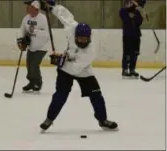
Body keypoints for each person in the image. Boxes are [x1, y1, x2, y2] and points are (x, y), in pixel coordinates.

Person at [39, 1, 118, 131]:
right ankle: (49, 119)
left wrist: (61, 61)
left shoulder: (91, 50)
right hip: (65, 69)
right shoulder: (73, 28)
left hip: (83, 71)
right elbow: (65, 15)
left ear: (89, 38)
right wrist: (52, 7)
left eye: (84, 39)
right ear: (75, 35)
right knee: (60, 95)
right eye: (79, 38)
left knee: (96, 96)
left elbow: (76, 68)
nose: (82, 41)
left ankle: (102, 119)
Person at [17, 0, 49, 92]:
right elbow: (22, 30)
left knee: (34, 64)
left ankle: (38, 82)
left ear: (36, 9)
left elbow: (47, 34)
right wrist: (20, 40)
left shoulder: (42, 19)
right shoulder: (26, 18)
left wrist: (35, 31)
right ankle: (31, 82)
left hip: (42, 47)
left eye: (30, 7)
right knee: (29, 65)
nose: (27, 9)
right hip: (31, 46)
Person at [119, 0, 146, 78]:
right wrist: (131, 16)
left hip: (136, 36)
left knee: (135, 54)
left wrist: (134, 16)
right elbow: (125, 19)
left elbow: (139, 22)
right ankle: (124, 69)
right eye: (129, 3)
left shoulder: (137, 12)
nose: (130, 4)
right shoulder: (122, 11)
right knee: (127, 53)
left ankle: (132, 69)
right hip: (127, 36)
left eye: (132, 3)